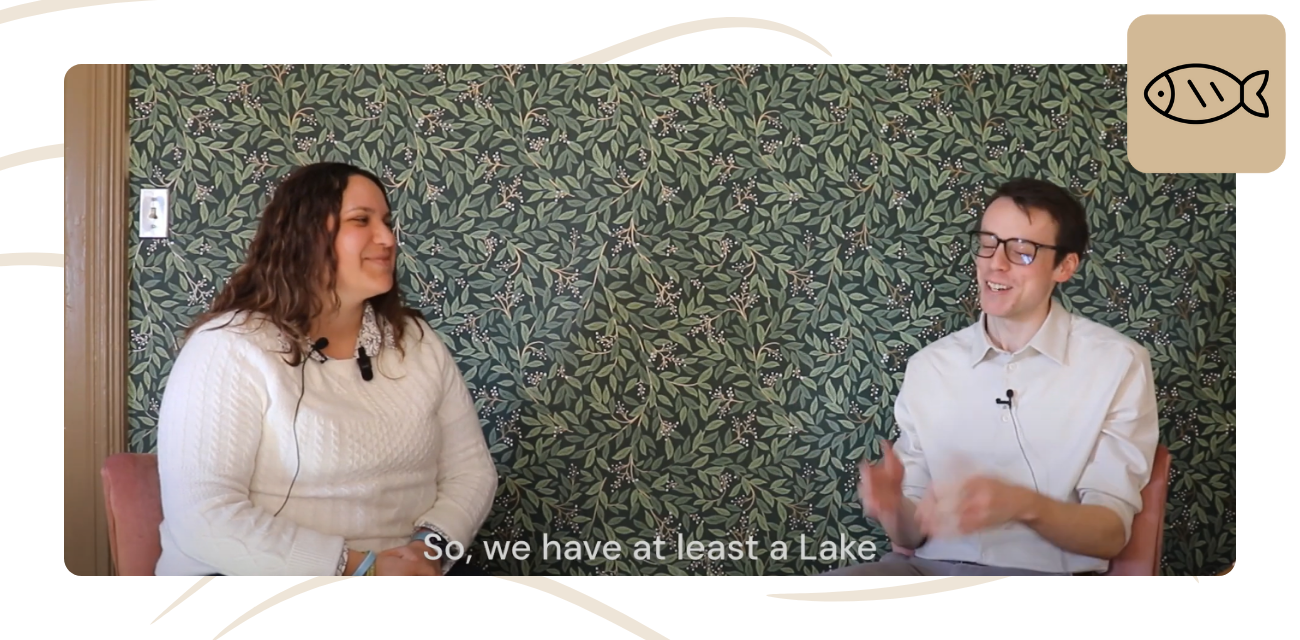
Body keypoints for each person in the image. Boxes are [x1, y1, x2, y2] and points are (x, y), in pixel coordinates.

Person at [154, 162, 498, 576]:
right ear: (305, 236)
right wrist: (363, 570)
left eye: (387, 223)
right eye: (361, 220)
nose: (387, 238)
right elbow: (203, 518)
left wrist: (428, 551)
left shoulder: (417, 343)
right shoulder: (227, 347)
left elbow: (472, 472)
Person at [825, 177, 1158, 576]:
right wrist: (893, 506)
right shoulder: (930, 366)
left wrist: (1024, 505)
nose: (995, 264)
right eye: (988, 243)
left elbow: (1110, 534)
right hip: (923, 573)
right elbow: (911, 535)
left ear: (1065, 266)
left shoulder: (1118, 364)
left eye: (1022, 250)